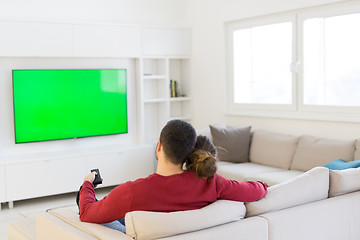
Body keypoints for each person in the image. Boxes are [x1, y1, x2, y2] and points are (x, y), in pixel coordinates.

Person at [79, 119, 267, 233]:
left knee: (101, 209)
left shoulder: (131, 191)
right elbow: (257, 190)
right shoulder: (211, 183)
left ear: (159, 146)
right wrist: (262, 184)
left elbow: (87, 213)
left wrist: (87, 184)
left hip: (141, 229)